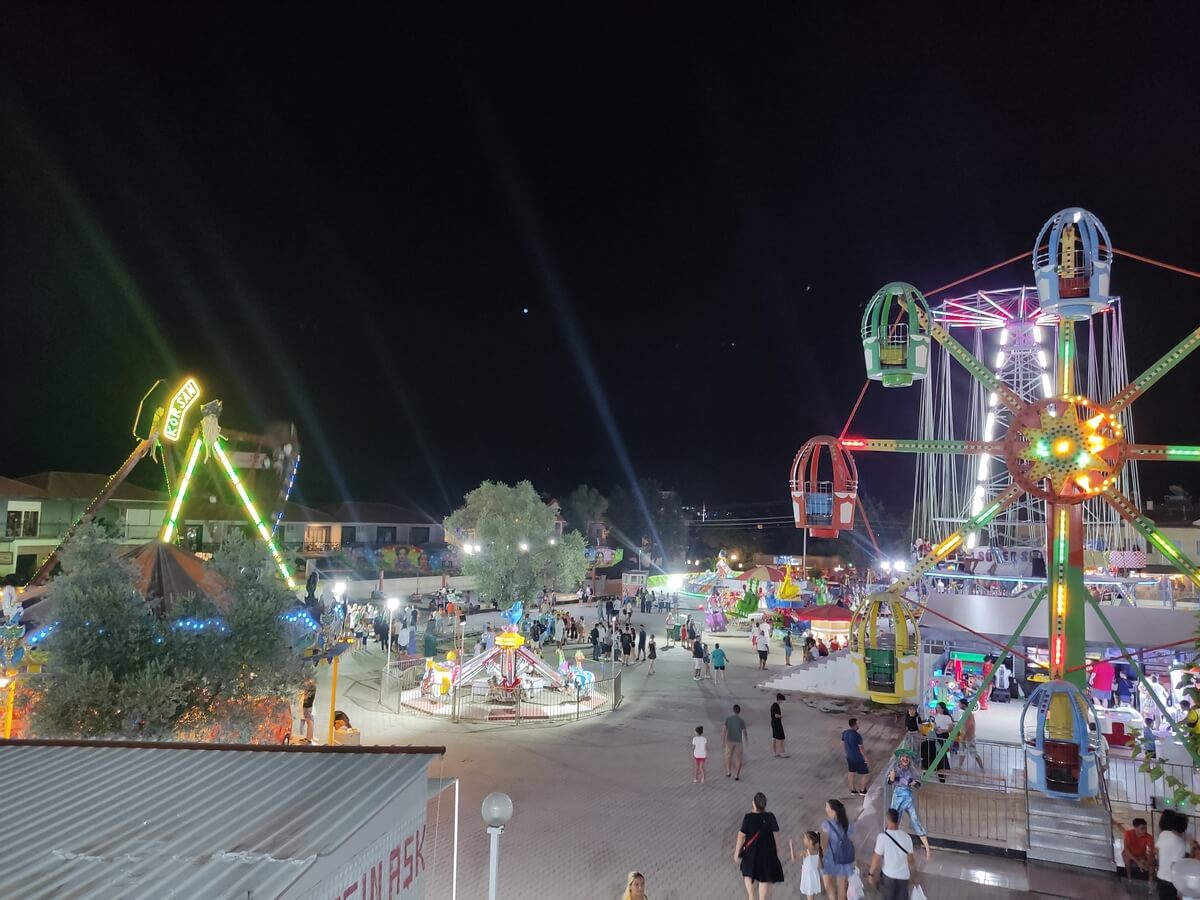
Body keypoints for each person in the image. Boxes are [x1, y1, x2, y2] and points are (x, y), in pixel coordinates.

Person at [733, 792, 784, 900]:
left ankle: (751, 897)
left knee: (747, 873)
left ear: (753, 803)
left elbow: (741, 836)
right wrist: (778, 852)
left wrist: (737, 852)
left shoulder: (748, 818)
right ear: (765, 804)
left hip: (750, 854)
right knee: (764, 878)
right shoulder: (770, 817)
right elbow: (776, 835)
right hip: (767, 853)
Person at [885, 749, 932, 856]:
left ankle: (928, 849)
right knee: (894, 820)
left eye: (907, 757)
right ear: (900, 758)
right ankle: (889, 844)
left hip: (909, 797)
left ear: (909, 759)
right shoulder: (895, 769)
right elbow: (890, 782)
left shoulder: (913, 770)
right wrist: (892, 776)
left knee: (915, 820)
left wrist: (914, 783)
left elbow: (918, 784)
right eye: (903, 757)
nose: (905, 759)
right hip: (897, 796)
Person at [868, 808, 918, 900]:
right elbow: (911, 860)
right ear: (898, 821)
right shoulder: (906, 837)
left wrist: (871, 874)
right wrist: (915, 877)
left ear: (887, 820)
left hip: (888, 877)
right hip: (903, 877)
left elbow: (876, 859)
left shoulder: (882, 837)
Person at [819, 799, 856, 900]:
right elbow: (850, 841)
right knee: (842, 888)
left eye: (827, 807)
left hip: (830, 859)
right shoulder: (849, 824)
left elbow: (824, 845)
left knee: (828, 884)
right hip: (844, 860)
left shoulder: (826, 825)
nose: (825, 809)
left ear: (833, 810)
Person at [1158, 807, 1189, 899]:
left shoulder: (1164, 834)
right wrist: (1180, 888)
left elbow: (1157, 850)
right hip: (1171, 882)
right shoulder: (1181, 845)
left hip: (1160, 877)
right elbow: (1175, 868)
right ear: (1184, 828)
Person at [788, 830, 823, 900]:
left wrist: (791, 846)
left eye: (805, 838)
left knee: (809, 897)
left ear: (810, 841)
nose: (803, 840)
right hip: (814, 876)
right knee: (811, 896)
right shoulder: (817, 851)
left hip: (808, 877)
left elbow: (793, 858)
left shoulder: (806, 852)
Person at [842, 717, 870, 794]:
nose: (859, 725)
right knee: (866, 774)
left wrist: (846, 753)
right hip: (858, 757)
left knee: (851, 772)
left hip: (850, 757)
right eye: (858, 723)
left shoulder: (845, 733)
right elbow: (861, 748)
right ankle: (862, 790)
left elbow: (843, 743)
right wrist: (865, 758)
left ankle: (852, 789)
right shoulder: (857, 735)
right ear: (855, 724)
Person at [1123, 817, 1155, 883]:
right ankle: (1129, 877)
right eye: (1142, 829)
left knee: (1151, 861)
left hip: (1141, 855)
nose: (1145, 831)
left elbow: (1151, 852)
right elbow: (1126, 849)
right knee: (1127, 857)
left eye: (1145, 828)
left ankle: (1150, 881)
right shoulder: (1128, 833)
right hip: (1130, 854)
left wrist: (1147, 862)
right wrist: (1138, 862)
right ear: (1135, 828)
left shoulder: (1149, 837)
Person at [956, 699, 984, 770]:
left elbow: (970, 725)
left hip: (968, 737)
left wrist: (965, 735)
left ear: (963, 704)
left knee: (973, 753)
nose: (958, 705)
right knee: (962, 752)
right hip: (964, 736)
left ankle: (981, 767)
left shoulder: (968, 713)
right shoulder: (966, 713)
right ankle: (960, 766)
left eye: (959, 704)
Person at [724, 704, 749, 779]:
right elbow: (744, 732)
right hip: (738, 741)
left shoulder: (728, 719)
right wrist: (746, 740)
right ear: (739, 712)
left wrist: (722, 739)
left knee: (728, 757)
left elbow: (724, 730)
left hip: (729, 741)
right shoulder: (741, 721)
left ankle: (728, 772)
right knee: (738, 758)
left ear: (733, 710)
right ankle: (737, 775)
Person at [770, 693, 789, 758]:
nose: (782, 702)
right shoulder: (775, 706)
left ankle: (774, 752)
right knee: (781, 738)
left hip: (774, 723)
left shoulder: (774, 705)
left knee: (774, 738)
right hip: (777, 724)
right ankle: (782, 752)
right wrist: (782, 716)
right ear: (779, 699)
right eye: (782, 701)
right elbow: (776, 715)